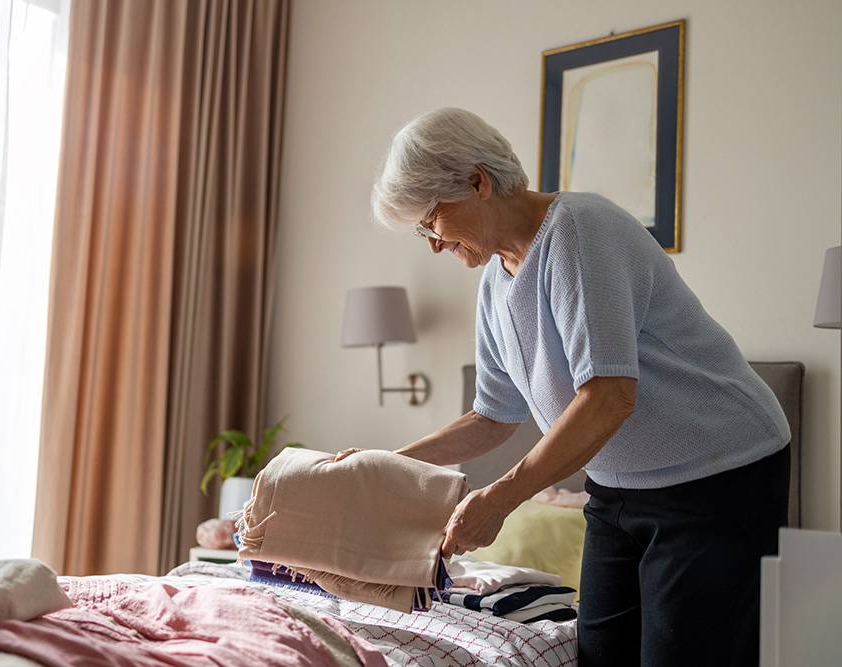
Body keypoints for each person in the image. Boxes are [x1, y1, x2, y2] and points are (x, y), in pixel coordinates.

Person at [339, 107, 791, 666]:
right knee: (599, 655)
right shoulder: (494, 286)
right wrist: (388, 461)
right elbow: (492, 417)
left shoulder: (579, 230)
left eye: (432, 220)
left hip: (718, 473)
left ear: (477, 182)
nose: (432, 243)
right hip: (616, 488)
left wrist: (501, 498)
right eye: (421, 230)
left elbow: (607, 398)